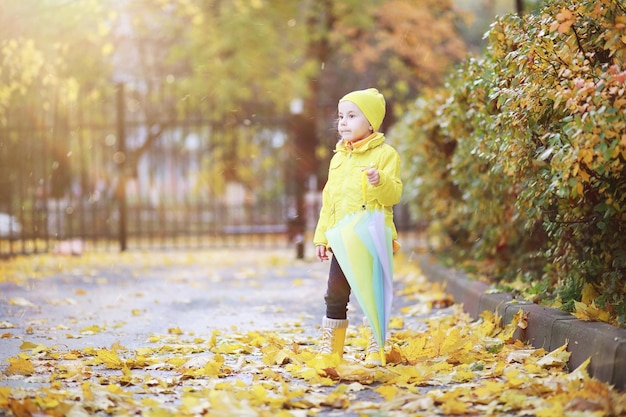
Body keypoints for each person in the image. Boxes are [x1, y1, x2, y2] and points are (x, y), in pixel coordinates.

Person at [313, 88, 403, 365]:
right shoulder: (338, 158)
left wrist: (380, 181)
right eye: (341, 116)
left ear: (371, 123)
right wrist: (321, 237)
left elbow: (394, 195)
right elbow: (330, 200)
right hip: (342, 240)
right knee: (335, 293)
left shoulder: (386, 155)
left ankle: (376, 346)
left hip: (371, 237)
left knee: (371, 293)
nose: (343, 122)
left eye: (352, 116)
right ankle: (332, 349)